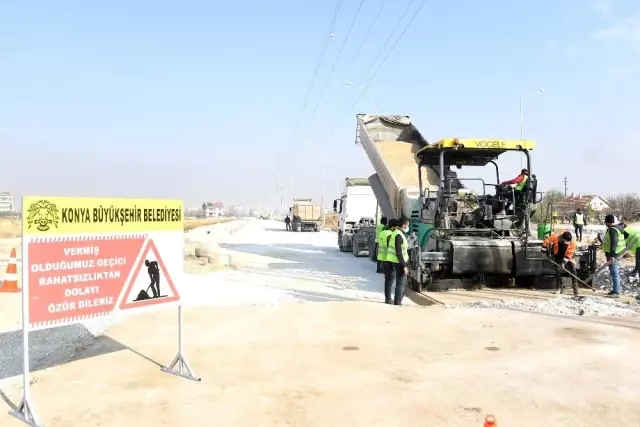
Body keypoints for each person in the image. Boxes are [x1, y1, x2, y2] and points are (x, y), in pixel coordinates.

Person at [542, 230, 579, 297]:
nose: (566, 243)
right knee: (558, 271)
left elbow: (569, 254)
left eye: (568, 242)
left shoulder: (573, 242)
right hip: (558, 253)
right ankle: (558, 288)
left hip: (568, 255)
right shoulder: (555, 236)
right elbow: (546, 242)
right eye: (565, 241)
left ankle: (575, 288)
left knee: (573, 270)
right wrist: (543, 251)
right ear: (562, 238)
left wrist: (563, 263)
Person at [601, 214, 626, 298]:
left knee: (614, 273)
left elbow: (614, 243)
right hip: (619, 252)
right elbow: (625, 237)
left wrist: (612, 255)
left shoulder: (612, 230)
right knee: (614, 272)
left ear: (607, 222)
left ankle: (616, 292)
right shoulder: (619, 227)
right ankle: (615, 289)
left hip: (614, 254)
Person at [387, 218, 410, 306]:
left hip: (397, 261)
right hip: (399, 262)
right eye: (407, 225)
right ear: (404, 225)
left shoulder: (398, 233)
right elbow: (399, 252)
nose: (408, 227)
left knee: (400, 282)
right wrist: (404, 266)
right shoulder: (398, 235)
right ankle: (398, 302)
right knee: (400, 283)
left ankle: (398, 301)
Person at [379, 219, 397, 304]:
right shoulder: (390, 234)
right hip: (389, 259)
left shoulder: (382, 233)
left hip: (382, 259)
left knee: (387, 280)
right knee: (390, 280)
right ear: (393, 227)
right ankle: (388, 299)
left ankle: (387, 298)